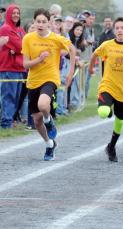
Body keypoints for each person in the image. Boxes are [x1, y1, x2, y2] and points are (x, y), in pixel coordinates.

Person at [22, 8, 76, 161]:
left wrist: (71, 72)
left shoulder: (56, 38)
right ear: (34, 22)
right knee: (37, 121)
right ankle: (49, 144)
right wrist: (39, 59)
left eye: (43, 22)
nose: (40, 24)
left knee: (44, 105)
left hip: (50, 78)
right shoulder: (28, 38)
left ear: (49, 24)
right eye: (38, 21)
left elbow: (72, 49)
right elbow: (25, 64)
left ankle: (49, 121)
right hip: (33, 81)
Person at [88, 17, 123, 162]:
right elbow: (95, 54)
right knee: (103, 112)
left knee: (120, 120)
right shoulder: (107, 45)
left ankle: (111, 146)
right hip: (107, 85)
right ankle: (108, 107)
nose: (120, 30)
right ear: (114, 30)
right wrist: (90, 68)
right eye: (117, 28)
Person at [0, 4, 26, 129]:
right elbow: (22, 46)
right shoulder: (5, 28)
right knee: (8, 97)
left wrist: (18, 49)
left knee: (16, 98)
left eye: (18, 13)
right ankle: (6, 124)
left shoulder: (19, 30)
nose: (16, 15)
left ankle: (9, 121)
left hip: (19, 68)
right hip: (8, 68)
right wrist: (19, 48)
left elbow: (26, 44)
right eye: (13, 13)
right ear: (8, 14)